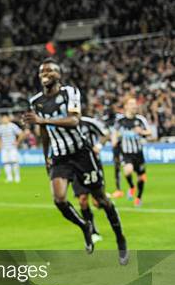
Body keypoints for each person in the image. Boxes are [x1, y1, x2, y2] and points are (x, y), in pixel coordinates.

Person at [24, 58, 128, 265]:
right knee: (59, 199)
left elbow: (74, 120)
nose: (44, 74)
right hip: (60, 157)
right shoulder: (36, 101)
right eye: (41, 71)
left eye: (49, 71)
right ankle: (85, 227)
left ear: (58, 74)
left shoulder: (69, 93)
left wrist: (43, 120)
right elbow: (43, 133)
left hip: (81, 154)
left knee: (102, 199)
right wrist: (46, 156)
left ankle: (120, 239)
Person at [72, 116, 110, 243]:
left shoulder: (89, 122)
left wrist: (98, 145)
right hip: (75, 167)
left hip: (92, 165)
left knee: (97, 202)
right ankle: (92, 231)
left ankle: (111, 212)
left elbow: (106, 134)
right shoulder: (63, 125)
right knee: (82, 200)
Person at [112, 98, 153, 207]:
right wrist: (114, 140)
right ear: (126, 106)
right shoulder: (120, 121)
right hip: (126, 153)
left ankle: (139, 197)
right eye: (131, 104)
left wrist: (142, 132)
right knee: (127, 171)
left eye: (135, 104)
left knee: (141, 178)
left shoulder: (140, 119)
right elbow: (114, 132)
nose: (134, 106)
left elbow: (150, 132)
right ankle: (131, 186)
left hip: (138, 153)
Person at [0, 114, 24, 183]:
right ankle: (9, 178)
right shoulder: (0, 127)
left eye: (5, 118)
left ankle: (17, 177)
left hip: (12, 147)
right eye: (3, 119)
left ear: (8, 119)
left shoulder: (12, 126)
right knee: (6, 163)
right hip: (4, 148)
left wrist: (17, 142)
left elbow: (21, 133)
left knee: (14, 162)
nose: (4, 120)